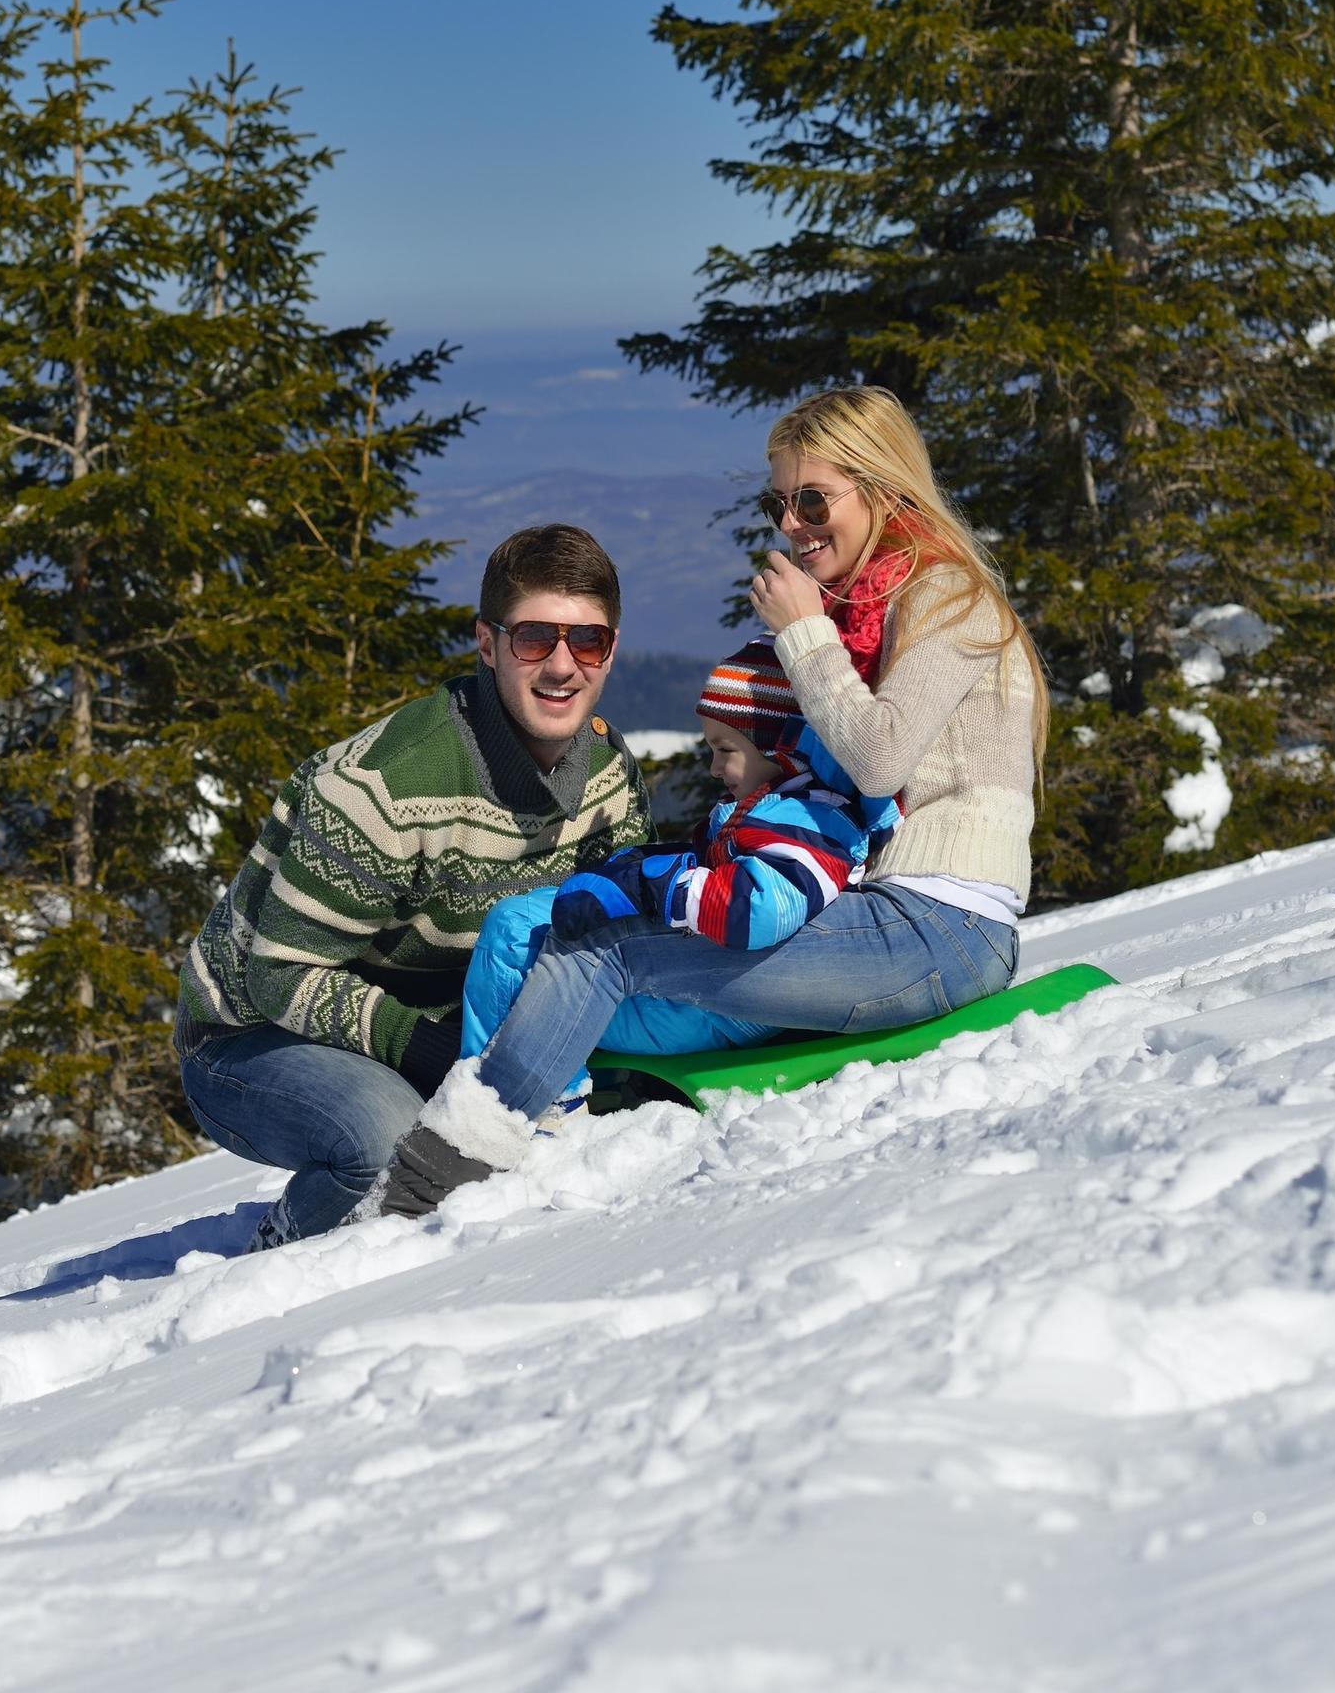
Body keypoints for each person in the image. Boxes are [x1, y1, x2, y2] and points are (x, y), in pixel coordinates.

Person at [370, 386, 1050, 1218]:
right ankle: (534, 1132)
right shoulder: (874, 609)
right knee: (572, 943)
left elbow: (877, 760)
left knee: (602, 950)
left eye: (811, 500)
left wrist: (805, 633)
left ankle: (441, 1178)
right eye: (779, 504)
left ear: (882, 487)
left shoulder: (946, 597)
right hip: (886, 918)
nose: (791, 525)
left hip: (939, 927)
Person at [172, 524, 652, 1248]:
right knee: (396, 1146)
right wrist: (435, 1052)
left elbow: (615, 935)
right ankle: (275, 1265)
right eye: (534, 639)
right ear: (486, 645)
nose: (562, 666)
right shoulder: (385, 787)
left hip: (449, 1023)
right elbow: (280, 974)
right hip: (251, 1033)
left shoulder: (609, 778)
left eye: (587, 641)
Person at [450, 637, 900, 1095]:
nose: (713, 767)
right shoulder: (783, 809)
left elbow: (758, 909)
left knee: (514, 937)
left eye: (725, 749)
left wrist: (649, 886)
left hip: (719, 1007)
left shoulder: (808, 820)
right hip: (712, 987)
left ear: (781, 748)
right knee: (525, 919)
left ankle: (507, 1099)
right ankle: (509, 1089)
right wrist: (647, 868)